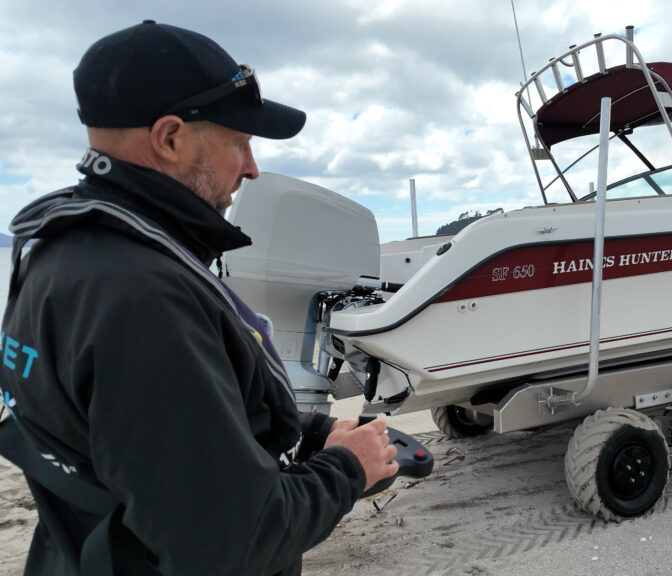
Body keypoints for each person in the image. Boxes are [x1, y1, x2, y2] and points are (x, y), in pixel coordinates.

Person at [0, 20, 398, 575]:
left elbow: (146, 437)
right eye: (239, 142)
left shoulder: (56, 251)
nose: (253, 168)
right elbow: (233, 542)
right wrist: (348, 469)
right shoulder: (142, 299)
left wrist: (311, 434)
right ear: (169, 139)